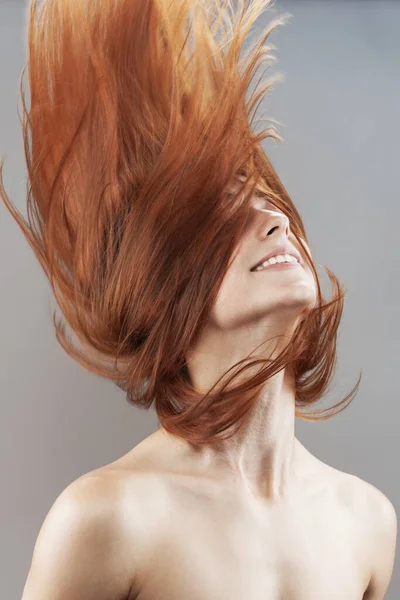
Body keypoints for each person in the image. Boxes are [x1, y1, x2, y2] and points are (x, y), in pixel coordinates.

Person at [1, 0, 396, 598]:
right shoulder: (107, 520)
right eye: (224, 214)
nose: (272, 217)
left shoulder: (366, 521)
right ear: (164, 279)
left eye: (269, 197)